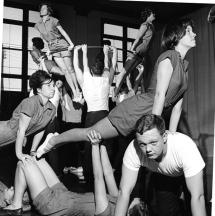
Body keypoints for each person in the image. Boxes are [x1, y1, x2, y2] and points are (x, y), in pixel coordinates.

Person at [36, 17, 196, 158]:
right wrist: (155, 130)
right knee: (90, 134)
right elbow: (160, 96)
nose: (194, 34)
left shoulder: (184, 66)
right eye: (189, 31)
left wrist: (172, 138)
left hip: (150, 113)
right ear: (178, 35)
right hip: (137, 110)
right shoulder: (169, 57)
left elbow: (177, 107)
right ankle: (54, 140)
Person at [1, 129, 148, 216]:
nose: (134, 197)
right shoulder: (120, 201)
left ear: (129, 214)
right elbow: (108, 173)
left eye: (138, 203)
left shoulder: (106, 214)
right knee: (36, 160)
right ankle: (18, 198)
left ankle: (16, 204)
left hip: (52, 205)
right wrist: (103, 143)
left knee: (23, 163)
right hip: (62, 193)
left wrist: (95, 146)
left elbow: (98, 178)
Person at [114, 114, 207, 216]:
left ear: (164, 137)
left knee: (192, 210)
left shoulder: (185, 147)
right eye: (142, 144)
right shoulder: (133, 150)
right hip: (164, 174)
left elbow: (198, 197)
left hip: (189, 172)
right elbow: (124, 192)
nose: (148, 149)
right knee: (165, 215)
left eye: (153, 142)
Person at [69, 43, 117, 190]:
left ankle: (91, 182)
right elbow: (112, 65)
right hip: (105, 116)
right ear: (102, 70)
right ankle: (106, 180)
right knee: (105, 148)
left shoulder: (86, 79)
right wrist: (110, 52)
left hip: (91, 117)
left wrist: (80, 52)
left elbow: (77, 68)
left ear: (91, 70)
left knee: (91, 149)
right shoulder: (106, 79)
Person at [0, 70, 56, 163]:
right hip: (4, 131)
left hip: (12, 139)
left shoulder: (52, 109)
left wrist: (33, 151)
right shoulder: (30, 103)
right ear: (38, 89)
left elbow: (40, 130)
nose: (53, 89)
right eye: (49, 86)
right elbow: (21, 130)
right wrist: (19, 154)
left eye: (53, 86)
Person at [35, 2, 81, 102]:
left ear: (48, 10)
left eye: (44, 8)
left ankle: (77, 90)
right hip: (53, 48)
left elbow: (63, 32)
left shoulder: (53, 20)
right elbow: (44, 37)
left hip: (62, 44)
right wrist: (48, 48)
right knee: (64, 71)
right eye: (41, 8)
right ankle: (73, 90)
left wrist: (71, 43)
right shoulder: (38, 25)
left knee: (70, 69)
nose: (42, 10)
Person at [114, 8, 155, 97]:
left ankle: (116, 92)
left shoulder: (152, 26)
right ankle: (115, 93)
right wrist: (131, 49)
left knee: (127, 73)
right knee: (124, 72)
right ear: (148, 16)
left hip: (141, 54)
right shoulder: (145, 25)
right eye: (152, 14)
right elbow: (138, 38)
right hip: (135, 51)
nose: (154, 15)